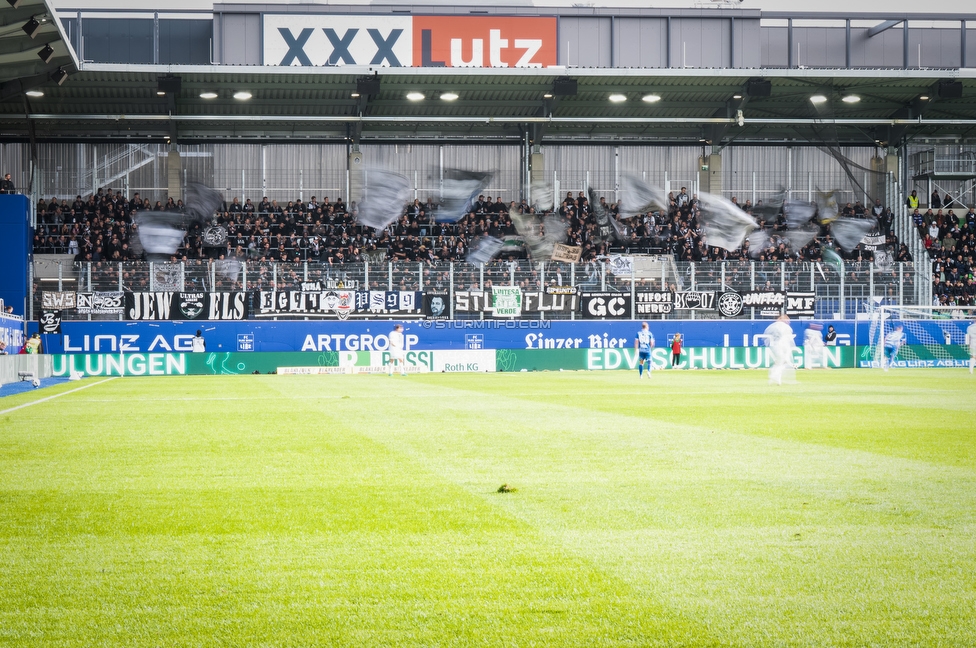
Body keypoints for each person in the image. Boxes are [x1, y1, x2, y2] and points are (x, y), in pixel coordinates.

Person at [764, 314, 796, 385]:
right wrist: (792, 347)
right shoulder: (785, 327)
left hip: (775, 345)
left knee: (780, 362)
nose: (788, 322)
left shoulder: (772, 326)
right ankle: (774, 376)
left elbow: (766, 337)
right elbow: (789, 339)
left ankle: (776, 378)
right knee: (782, 362)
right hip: (781, 346)